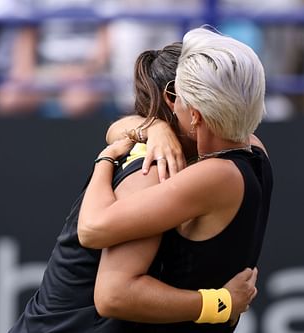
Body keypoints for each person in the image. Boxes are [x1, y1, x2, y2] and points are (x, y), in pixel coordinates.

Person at [8, 40, 258, 333]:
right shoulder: (153, 169)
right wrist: (221, 304)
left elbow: (117, 128)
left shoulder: (223, 156)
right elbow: (109, 282)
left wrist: (152, 127)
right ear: (174, 101)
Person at [78, 26, 273, 333]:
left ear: (194, 115)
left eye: (177, 98)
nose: (171, 104)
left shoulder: (213, 176)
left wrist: (106, 159)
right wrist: (155, 128)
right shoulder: (254, 148)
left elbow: (92, 231)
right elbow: (126, 124)